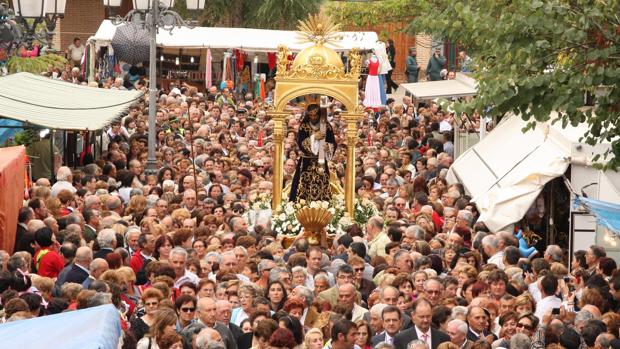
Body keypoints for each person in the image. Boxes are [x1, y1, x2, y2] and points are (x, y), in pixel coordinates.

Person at [288, 103, 336, 202]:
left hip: (321, 161)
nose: (313, 117)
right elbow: (301, 144)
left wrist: (327, 146)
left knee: (322, 185)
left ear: (319, 115)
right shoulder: (304, 126)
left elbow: (333, 143)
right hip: (306, 162)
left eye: (315, 115)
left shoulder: (326, 126)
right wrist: (314, 138)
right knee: (302, 185)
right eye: (311, 115)